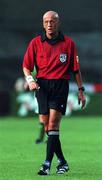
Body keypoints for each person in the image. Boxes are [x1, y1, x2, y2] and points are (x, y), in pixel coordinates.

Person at [22, 10, 86, 175]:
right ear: (43, 24)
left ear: (58, 23)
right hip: (42, 87)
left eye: (53, 21)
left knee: (53, 125)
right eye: (46, 22)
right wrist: (30, 80)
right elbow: (26, 66)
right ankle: (62, 162)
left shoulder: (69, 43)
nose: (49, 24)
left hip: (60, 86)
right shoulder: (35, 43)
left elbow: (76, 70)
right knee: (46, 126)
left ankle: (46, 164)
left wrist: (81, 90)